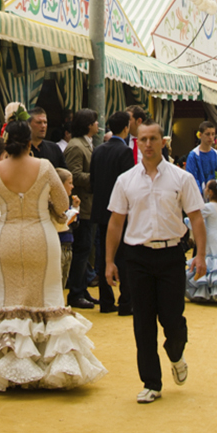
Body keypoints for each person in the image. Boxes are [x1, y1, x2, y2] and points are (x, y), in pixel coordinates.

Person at [0, 121, 107, 391]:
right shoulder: (45, 167)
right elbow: (62, 205)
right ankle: (46, 365)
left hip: (7, 240)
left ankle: (4, 364)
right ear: (28, 143)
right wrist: (49, 210)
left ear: (6, 142)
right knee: (45, 299)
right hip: (42, 239)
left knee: (6, 299)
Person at [104, 119, 206, 404]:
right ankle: (151, 382)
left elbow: (196, 217)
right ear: (137, 142)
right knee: (143, 322)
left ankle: (176, 354)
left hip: (172, 254)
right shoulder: (126, 181)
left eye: (153, 139)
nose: (147, 144)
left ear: (163, 142)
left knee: (173, 320)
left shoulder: (181, 178)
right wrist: (110, 261)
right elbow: (115, 222)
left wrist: (200, 255)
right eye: (143, 139)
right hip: (137, 257)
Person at [91, 111, 135, 314]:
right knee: (123, 256)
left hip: (100, 209)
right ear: (126, 128)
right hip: (120, 210)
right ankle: (126, 302)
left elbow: (92, 182)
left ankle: (106, 301)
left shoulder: (98, 150)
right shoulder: (125, 152)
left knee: (103, 255)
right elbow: (129, 184)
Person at [64, 108, 99, 309]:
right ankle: (76, 292)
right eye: (94, 121)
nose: (97, 124)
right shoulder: (76, 147)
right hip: (82, 205)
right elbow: (73, 175)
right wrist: (96, 178)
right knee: (82, 250)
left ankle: (82, 288)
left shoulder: (85, 144)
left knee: (86, 250)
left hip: (88, 205)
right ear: (88, 124)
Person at [185, 121, 217, 196]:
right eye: (207, 134)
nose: (211, 137)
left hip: (216, 198)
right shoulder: (193, 155)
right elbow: (192, 179)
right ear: (200, 135)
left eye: (213, 134)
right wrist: (201, 195)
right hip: (199, 198)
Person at [55, 167, 79, 286]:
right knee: (56, 283)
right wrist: (73, 211)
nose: (72, 186)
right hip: (58, 248)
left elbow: (73, 224)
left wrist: (75, 208)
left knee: (63, 283)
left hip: (68, 248)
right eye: (69, 183)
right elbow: (62, 222)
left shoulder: (67, 202)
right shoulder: (55, 203)